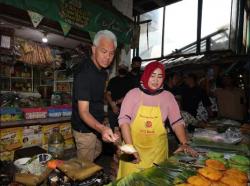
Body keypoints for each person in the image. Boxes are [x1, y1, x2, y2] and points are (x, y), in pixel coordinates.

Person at [117, 61, 197, 179]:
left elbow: (177, 121)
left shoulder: (168, 97)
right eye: (152, 76)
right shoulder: (132, 94)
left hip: (157, 151)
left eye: (159, 77)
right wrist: (130, 148)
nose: (156, 80)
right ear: (146, 75)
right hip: (132, 147)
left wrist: (184, 143)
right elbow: (124, 121)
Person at [71, 30, 119, 162]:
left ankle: (74, 167)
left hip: (96, 125)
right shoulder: (84, 73)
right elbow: (84, 111)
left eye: (111, 53)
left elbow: (96, 98)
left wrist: (103, 121)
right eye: (104, 52)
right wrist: (102, 128)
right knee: (85, 170)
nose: (108, 57)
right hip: (84, 128)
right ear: (93, 49)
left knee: (96, 151)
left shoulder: (103, 72)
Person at [106, 64, 133, 130]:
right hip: (112, 110)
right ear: (118, 69)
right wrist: (113, 105)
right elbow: (107, 93)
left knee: (125, 130)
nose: (122, 68)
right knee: (113, 131)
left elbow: (130, 95)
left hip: (125, 110)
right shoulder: (112, 80)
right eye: (121, 67)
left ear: (127, 69)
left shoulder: (130, 81)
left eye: (124, 67)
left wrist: (116, 103)